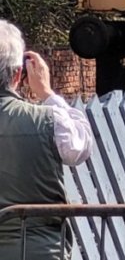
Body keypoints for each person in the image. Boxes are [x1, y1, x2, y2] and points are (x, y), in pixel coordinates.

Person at [0, 20, 94, 260]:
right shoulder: (49, 120)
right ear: (19, 73)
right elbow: (80, 147)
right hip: (41, 251)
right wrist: (47, 94)